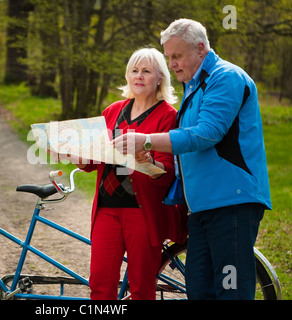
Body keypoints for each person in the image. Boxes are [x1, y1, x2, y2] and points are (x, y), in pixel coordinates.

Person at [113, 19, 271, 300]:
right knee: (199, 290)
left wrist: (145, 138)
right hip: (200, 207)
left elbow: (206, 134)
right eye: (168, 57)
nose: (172, 64)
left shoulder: (226, 77)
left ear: (200, 49)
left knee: (230, 290)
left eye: (177, 56)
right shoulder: (194, 86)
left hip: (231, 203)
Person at [56, 47, 188, 300]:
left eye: (146, 71)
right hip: (107, 209)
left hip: (144, 213)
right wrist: (73, 155)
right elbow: (95, 160)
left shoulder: (168, 116)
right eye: (134, 71)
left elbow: (168, 171)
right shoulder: (113, 111)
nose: (139, 76)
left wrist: (148, 160)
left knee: (141, 289)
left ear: (160, 77)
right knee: (100, 285)